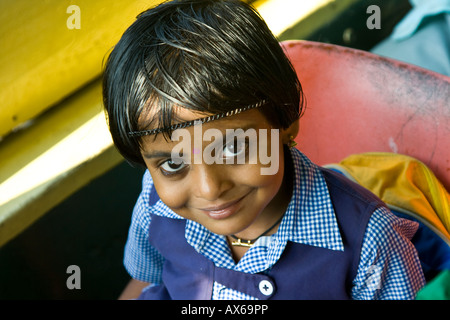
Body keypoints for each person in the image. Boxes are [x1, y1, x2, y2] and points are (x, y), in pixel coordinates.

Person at [102, 0, 425, 300]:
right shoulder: (154, 205)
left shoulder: (369, 240)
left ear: (286, 123)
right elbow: (147, 283)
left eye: (232, 148)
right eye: (173, 165)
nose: (209, 189)